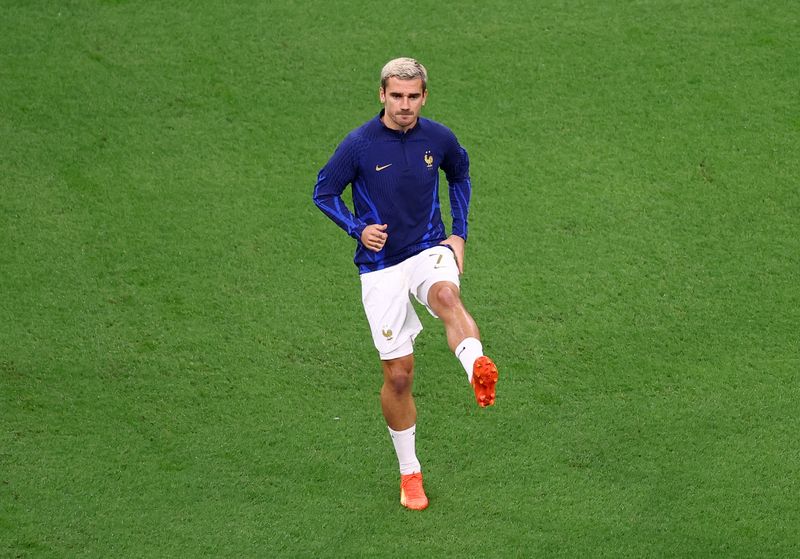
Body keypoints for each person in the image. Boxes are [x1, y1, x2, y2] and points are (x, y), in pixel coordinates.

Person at [313, 57, 498, 511]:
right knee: (399, 376)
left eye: (413, 96)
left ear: (424, 96)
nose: (405, 105)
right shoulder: (358, 145)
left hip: (429, 248)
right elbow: (323, 191)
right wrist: (357, 228)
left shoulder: (439, 137)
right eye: (396, 96)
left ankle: (477, 365)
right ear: (382, 95)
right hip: (380, 266)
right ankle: (409, 473)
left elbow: (460, 173)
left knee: (446, 295)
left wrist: (459, 233)